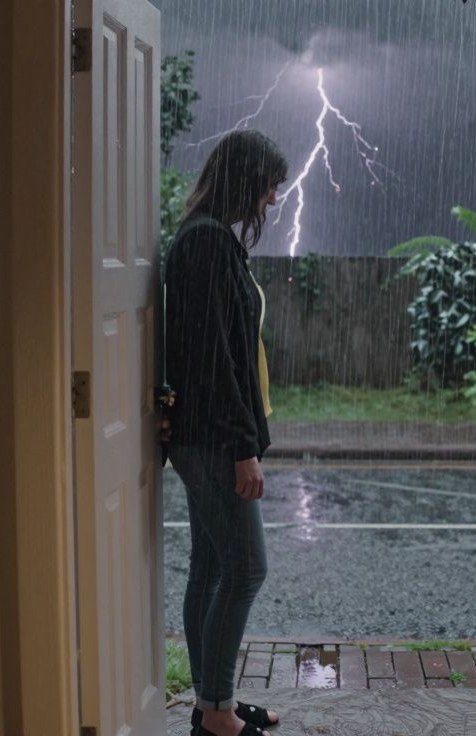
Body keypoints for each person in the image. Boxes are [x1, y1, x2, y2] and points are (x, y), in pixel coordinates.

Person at [163, 129, 287, 736]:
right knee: (246, 571)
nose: (268, 202)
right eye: (267, 189)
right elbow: (216, 358)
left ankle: (214, 703)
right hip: (213, 439)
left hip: (200, 433)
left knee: (211, 570)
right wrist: (244, 450)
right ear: (244, 180)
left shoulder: (204, 239)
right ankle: (215, 713)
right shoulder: (208, 245)